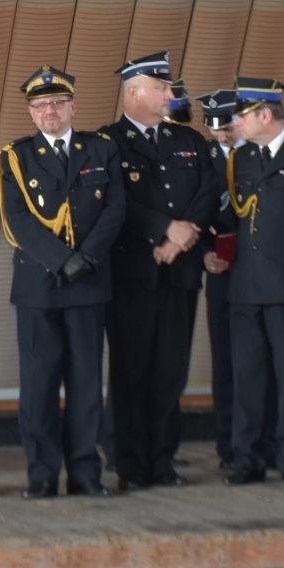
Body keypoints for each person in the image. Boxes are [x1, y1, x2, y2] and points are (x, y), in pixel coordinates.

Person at [0, 66, 125, 498]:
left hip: (89, 282)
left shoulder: (101, 150)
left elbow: (115, 210)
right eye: (41, 105)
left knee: (87, 383)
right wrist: (62, 260)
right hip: (39, 285)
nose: (50, 111)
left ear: (73, 106)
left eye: (57, 103)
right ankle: (43, 474)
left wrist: (85, 258)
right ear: (31, 114)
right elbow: (16, 220)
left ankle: (86, 473)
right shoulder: (16, 156)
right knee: (39, 385)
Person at [99, 51, 219, 490]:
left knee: (171, 370)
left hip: (179, 274)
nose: (171, 95)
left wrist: (183, 237)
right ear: (133, 92)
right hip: (132, 274)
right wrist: (165, 229)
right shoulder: (107, 142)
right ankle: (130, 463)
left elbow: (209, 190)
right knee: (130, 371)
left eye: (170, 88)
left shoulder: (188, 141)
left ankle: (162, 460)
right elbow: (114, 203)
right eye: (162, 88)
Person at [222, 78, 284, 487]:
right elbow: (232, 216)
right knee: (247, 378)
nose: (236, 123)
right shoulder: (241, 159)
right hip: (245, 284)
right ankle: (247, 458)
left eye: (242, 115)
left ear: (266, 115)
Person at [195, 88, 263, 473]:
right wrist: (204, 250)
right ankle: (228, 446)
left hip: (260, 273)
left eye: (229, 127)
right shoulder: (204, 161)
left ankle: (262, 442)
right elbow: (195, 211)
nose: (222, 136)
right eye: (215, 129)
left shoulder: (258, 155)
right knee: (225, 362)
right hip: (221, 271)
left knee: (259, 362)